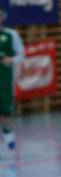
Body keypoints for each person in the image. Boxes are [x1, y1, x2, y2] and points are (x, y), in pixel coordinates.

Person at [0, 6, 24, 151]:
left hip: (5, 81)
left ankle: (8, 132)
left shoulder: (11, 35)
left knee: (6, 112)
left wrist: (11, 60)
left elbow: (21, 56)